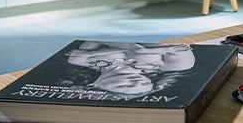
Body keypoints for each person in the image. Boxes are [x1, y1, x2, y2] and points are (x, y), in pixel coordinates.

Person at [64, 41, 196, 96]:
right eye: (144, 83)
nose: (136, 81)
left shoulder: (78, 60)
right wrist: (137, 50)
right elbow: (180, 47)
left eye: (125, 86)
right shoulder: (175, 66)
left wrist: (136, 50)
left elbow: (99, 36)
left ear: (93, 85)